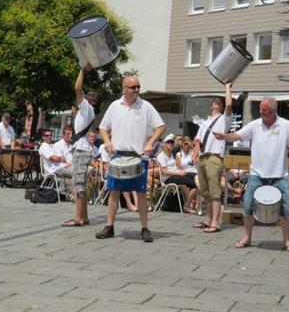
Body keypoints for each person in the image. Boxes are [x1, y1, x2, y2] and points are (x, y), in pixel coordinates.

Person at [213, 97, 289, 252]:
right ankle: (247, 237)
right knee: (247, 205)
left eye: (264, 110)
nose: (260, 112)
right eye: (260, 108)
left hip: (280, 175)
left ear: (273, 111)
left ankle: (286, 241)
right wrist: (224, 136)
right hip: (256, 174)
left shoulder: (285, 125)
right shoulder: (255, 125)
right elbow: (238, 135)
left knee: (287, 207)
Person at [96, 75, 166, 243]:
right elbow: (103, 128)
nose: (137, 90)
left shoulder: (145, 106)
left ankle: (145, 228)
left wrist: (150, 142)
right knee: (114, 191)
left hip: (138, 156)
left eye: (138, 87)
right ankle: (109, 226)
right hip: (118, 156)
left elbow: (161, 126)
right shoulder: (115, 106)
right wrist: (107, 142)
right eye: (133, 87)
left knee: (141, 192)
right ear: (124, 89)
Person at [192, 82, 233, 233]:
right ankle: (208, 219)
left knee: (215, 191)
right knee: (205, 191)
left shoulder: (224, 119)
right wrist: (195, 155)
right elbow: (197, 141)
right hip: (203, 158)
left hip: (214, 157)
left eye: (219, 102)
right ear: (211, 107)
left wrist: (227, 88)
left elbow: (229, 104)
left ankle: (215, 222)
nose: (217, 103)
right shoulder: (204, 122)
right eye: (215, 102)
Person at [62, 65, 99, 227]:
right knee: (81, 182)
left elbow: (77, 88)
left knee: (78, 183)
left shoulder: (86, 107)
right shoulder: (88, 111)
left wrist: (82, 71)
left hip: (81, 151)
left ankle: (78, 218)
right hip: (84, 149)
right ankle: (84, 216)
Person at [157, 134, 198, 213]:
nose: (171, 144)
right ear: (164, 144)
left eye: (172, 142)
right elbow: (164, 172)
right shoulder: (161, 156)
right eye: (168, 142)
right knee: (195, 184)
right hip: (168, 178)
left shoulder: (171, 155)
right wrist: (178, 173)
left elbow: (176, 166)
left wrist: (180, 171)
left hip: (176, 175)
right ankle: (187, 205)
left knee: (196, 177)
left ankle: (189, 204)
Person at [38, 128, 73, 198]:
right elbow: (54, 159)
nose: (49, 137)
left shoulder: (51, 146)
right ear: (43, 137)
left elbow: (62, 158)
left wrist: (62, 161)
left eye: (50, 135)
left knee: (80, 171)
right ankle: (73, 195)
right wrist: (60, 159)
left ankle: (68, 193)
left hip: (61, 167)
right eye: (47, 135)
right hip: (54, 170)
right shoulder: (44, 146)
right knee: (77, 173)